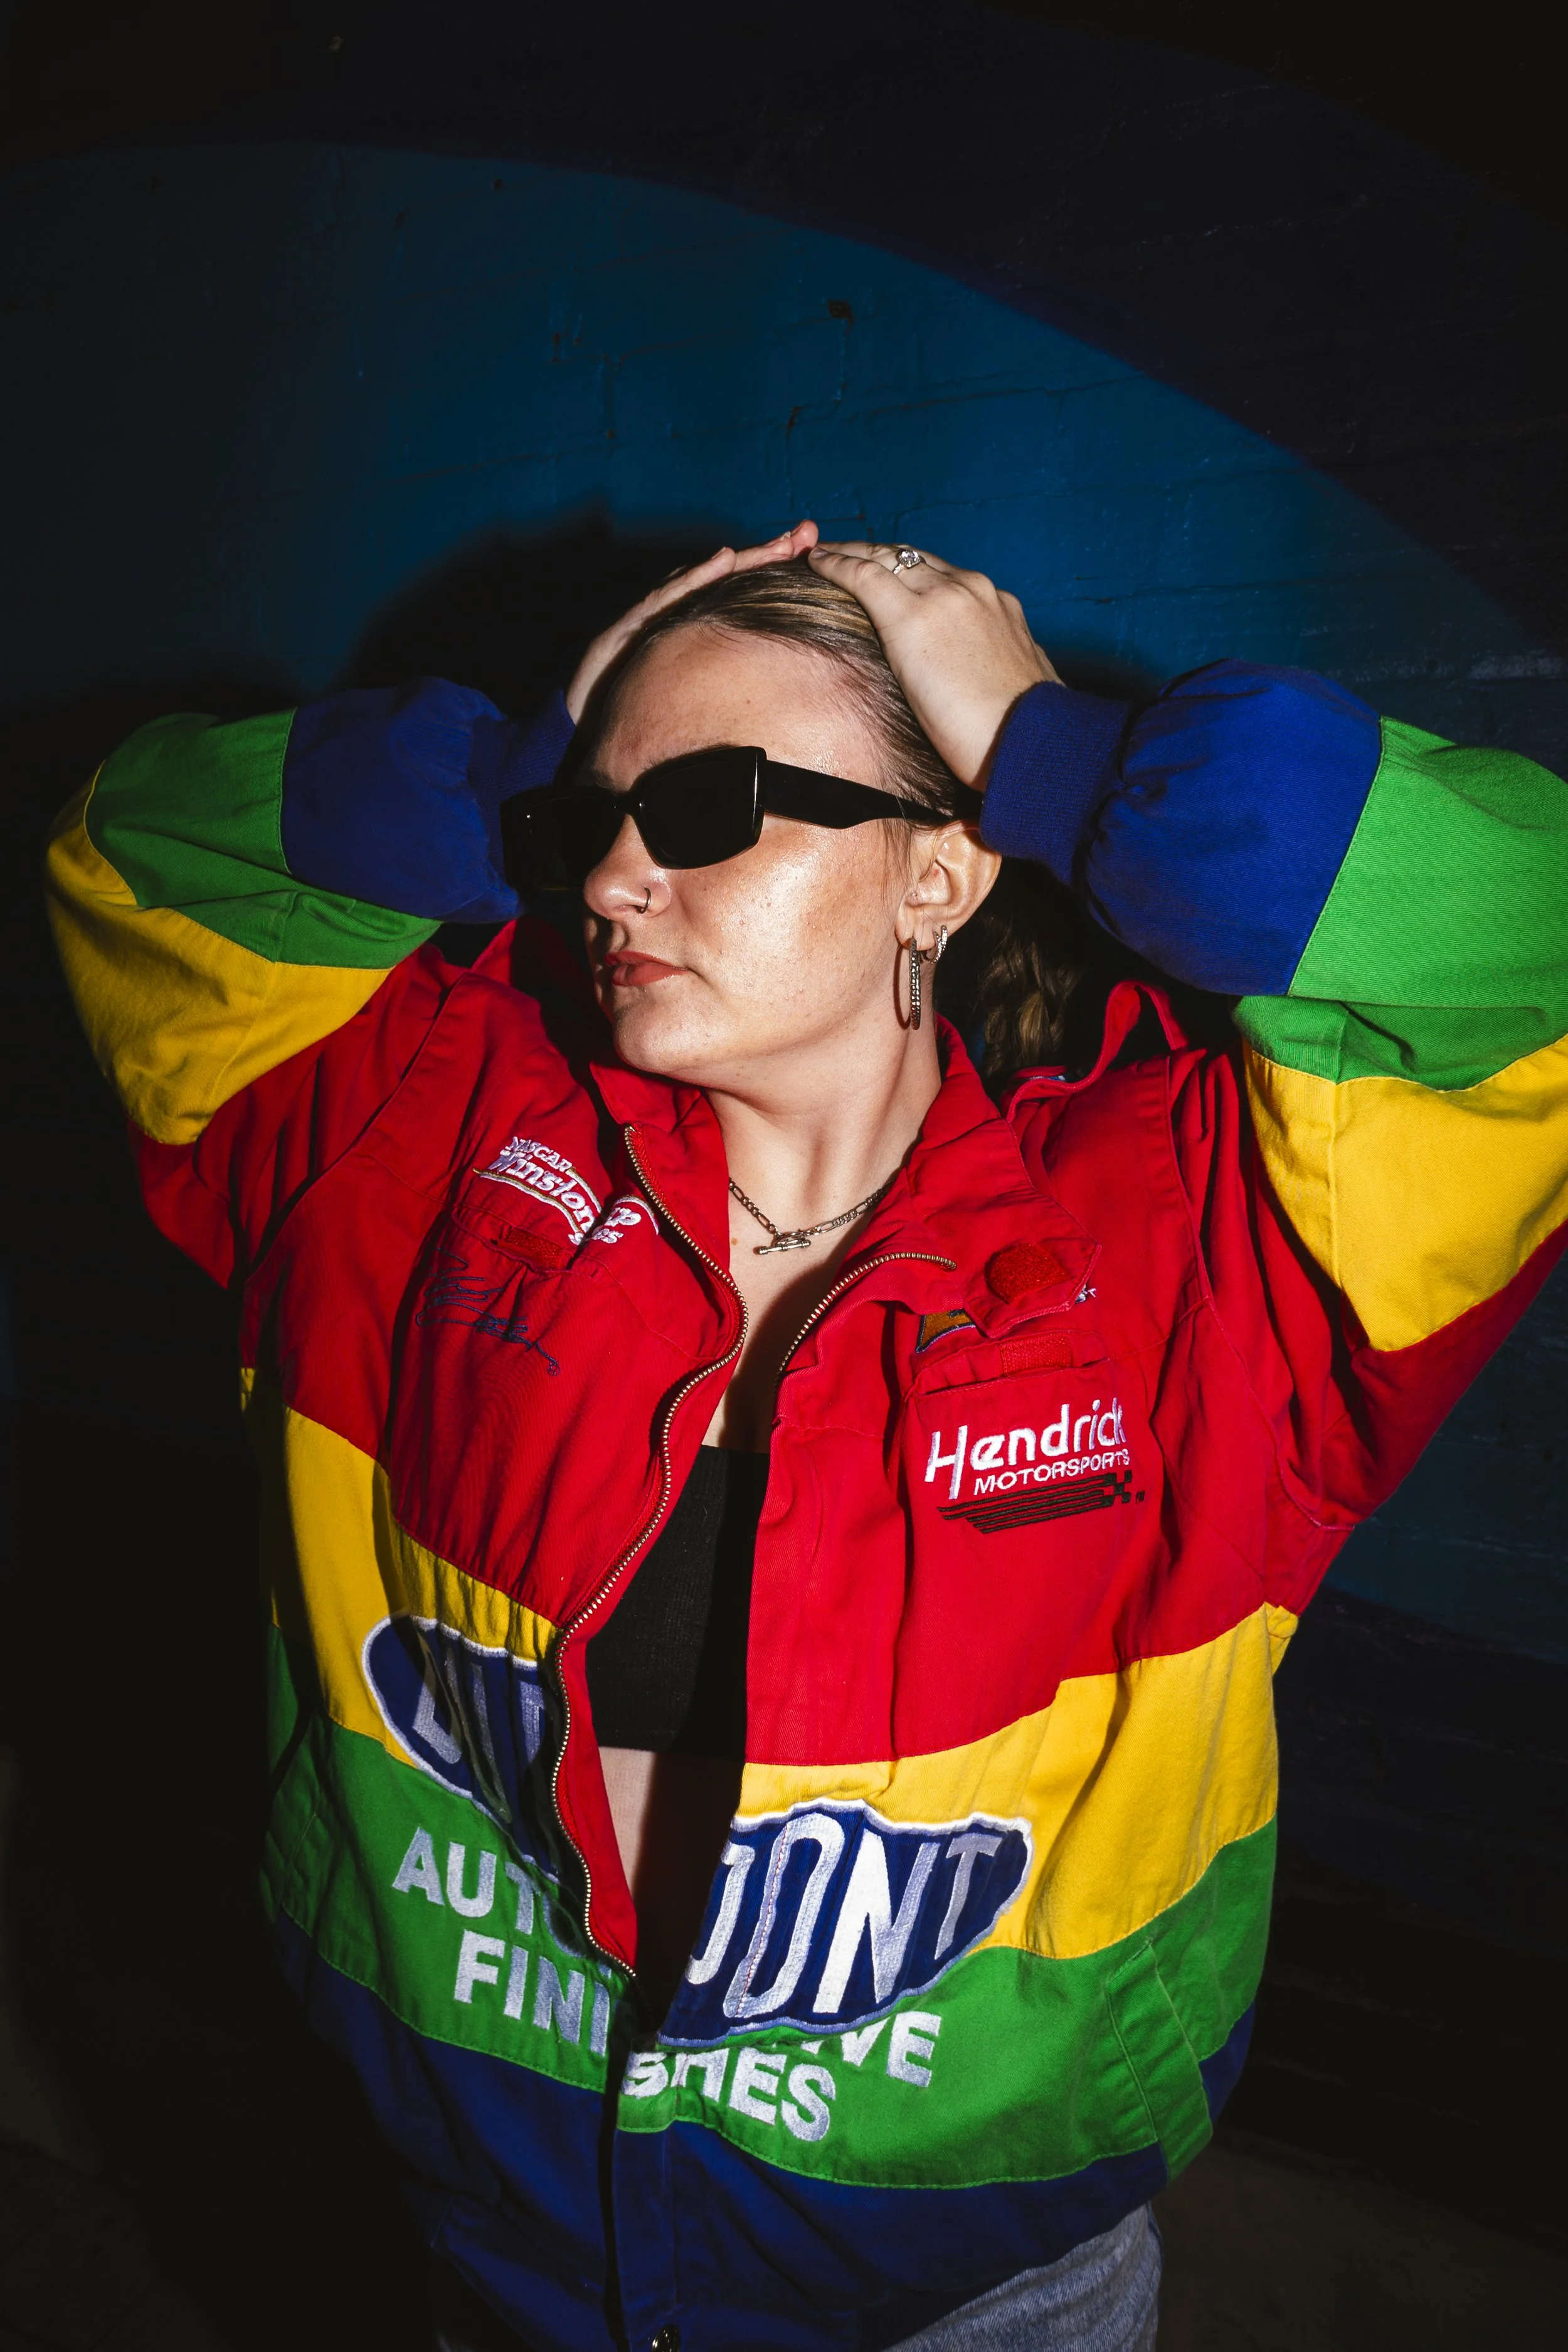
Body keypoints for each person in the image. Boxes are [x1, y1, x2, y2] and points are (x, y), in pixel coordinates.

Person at [44, 519, 1568, 2352]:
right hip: (493, 2262)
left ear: (939, 871)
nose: (611, 873)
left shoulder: (1204, 1248)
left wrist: (1057, 755)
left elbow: (1517, 949)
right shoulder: (417, 1145)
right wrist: (491, 776)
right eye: (587, 818)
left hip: (972, 2310)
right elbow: (134, 852)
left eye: (708, 803)